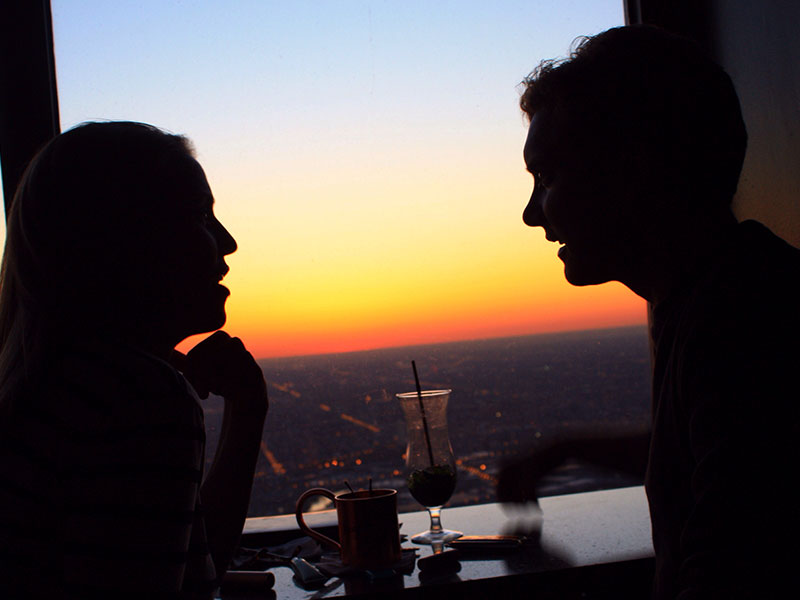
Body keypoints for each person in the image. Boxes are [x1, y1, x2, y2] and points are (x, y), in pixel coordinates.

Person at [499, 25, 800, 598]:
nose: (532, 214)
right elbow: (716, 458)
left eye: (548, 177)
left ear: (632, 169)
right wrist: (566, 451)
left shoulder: (742, 326)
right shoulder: (728, 295)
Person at [0, 121, 268, 598]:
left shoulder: (52, 385)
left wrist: (248, 409)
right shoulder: (137, 396)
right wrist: (248, 409)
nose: (227, 242)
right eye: (199, 216)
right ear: (127, 241)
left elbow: (181, 562)